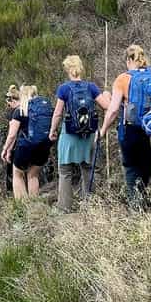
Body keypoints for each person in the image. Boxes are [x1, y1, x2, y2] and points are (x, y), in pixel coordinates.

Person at [98, 44, 151, 210]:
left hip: (132, 130)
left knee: (131, 167)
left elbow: (114, 110)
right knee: (146, 162)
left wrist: (103, 130)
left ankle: (135, 205)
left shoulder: (123, 79)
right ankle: (143, 197)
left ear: (128, 60)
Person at [50, 55, 104, 212]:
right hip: (88, 135)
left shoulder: (64, 88)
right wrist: (102, 129)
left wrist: (52, 131)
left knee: (65, 170)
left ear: (67, 69)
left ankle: (64, 207)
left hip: (69, 134)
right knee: (87, 167)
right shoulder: (91, 87)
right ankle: (89, 203)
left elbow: (58, 113)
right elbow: (107, 105)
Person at [1, 84, 52, 201]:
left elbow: (12, 135)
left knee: (18, 174)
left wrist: (5, 149)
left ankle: (23, 208)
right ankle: (34, 206)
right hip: (43, 147)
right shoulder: (44, 109)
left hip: (25, 147)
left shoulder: (20, 111)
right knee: (33, 175)